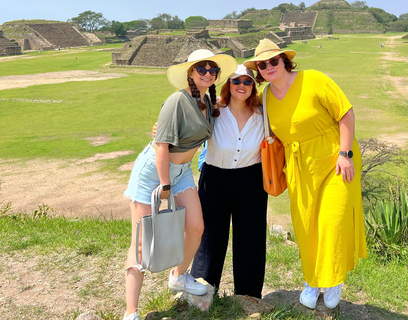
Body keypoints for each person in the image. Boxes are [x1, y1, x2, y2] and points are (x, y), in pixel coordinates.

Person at [244, 39, 367, 310]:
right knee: (307, 227)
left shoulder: (314, 80)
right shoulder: (265, 97)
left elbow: (345, 113)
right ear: (259, 71)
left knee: (332, 222)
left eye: (273, 61)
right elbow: (237, 108)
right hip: (300, 167)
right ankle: (313, 280)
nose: (268, 67)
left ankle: (332, 280)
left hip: (336, 160)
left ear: (284, 61)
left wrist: (344, 154)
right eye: (262, 65)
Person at [122, 49, 236, 320]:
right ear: (190, 73)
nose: (208, 73)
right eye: (202, 69)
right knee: (141, 243)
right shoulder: (177, 100)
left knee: (196, 227)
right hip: (154, 172)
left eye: (213, 70)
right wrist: (164, 185)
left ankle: (178, 276)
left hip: (182, 171)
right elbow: (161, 145)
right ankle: (131, 311)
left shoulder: (208, 102)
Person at [190, 65, 268, 298]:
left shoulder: (262, 114)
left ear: (253, 86)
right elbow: (184, 127)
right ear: (228, 85)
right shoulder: (213, 110)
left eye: (247, 82)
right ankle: (203, 290)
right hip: (215, 177)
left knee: (251, 237)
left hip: (251, 179)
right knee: (210, 236)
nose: (242, 86)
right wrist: (159, 131)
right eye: (237, 81)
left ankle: (248, 295)